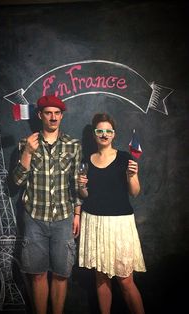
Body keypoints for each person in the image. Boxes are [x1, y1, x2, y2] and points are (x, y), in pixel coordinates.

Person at [13, 95, 82, 314]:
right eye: (48, 113)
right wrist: (27, 153)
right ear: (40, 115)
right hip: (35, 218)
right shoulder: (26, 143)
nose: (53, 117)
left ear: (61, 116)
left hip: (64, 217)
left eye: (57, 113)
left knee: (61, 274)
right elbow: (16, 182)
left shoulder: (73, 145)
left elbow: (76, 184)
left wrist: (77, 213)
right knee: (38, 274)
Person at [78, 113, 146, 314]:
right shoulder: (86, 160)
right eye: (100, 131)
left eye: (108, 131)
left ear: (114, 134)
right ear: (94, 134)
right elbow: (85, 195)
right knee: (101, 278)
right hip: (94, 222)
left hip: (119, 225)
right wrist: (82, 186)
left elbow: (134, 192)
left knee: (125, 281)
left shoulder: (126, 158)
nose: (104, 134)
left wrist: (132, 176)